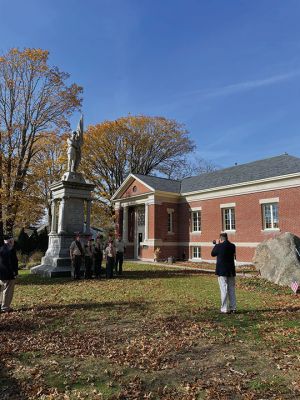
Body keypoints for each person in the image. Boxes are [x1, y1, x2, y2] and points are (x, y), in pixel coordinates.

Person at [211, 232, 237, 314]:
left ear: (221, 239)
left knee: (223, 290)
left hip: (222, 271)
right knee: (231, 290)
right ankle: (233, 308)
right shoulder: (232, 246)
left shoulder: (219, 246)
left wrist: (217, 244)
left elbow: (213, 254)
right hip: (231, 271)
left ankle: (224, 309)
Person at [0, 235, 18, 313]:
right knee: (8, 291)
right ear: (10, 241)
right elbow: (12, 263)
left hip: (1, 274)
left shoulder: (1, 248)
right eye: (12, 241)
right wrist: (14, 273)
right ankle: (5, 308)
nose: (13, 242)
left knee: (2, 290)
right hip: (8, 274)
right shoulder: (10, 249)